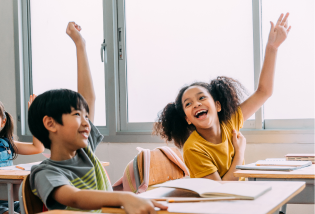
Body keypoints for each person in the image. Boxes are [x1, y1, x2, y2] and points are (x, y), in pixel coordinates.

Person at [28, 22, 167, 213]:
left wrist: (80, 45)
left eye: (87, 115)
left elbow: (88, 98)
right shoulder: (45, 173)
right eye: (77, 114)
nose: (87, 122)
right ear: (50, 124)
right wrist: (124, 197)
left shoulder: (85, 152)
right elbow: (74, 197)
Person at [153, 13, 291, 181]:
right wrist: (239, 153)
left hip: (243, 197)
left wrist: (272, 48)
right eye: (188, 104)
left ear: (217, 106)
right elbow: (218, 191)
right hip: (221, 204)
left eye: (202, 98)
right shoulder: (193, 148)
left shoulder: (230, 124)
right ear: (188, 119)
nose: (196, 104)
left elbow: (264, 92)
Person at [0, 97, 45, 214]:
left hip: (12, 198)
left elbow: (38, 147)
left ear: (3, 122)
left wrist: (34, 118)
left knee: (39, 207)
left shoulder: (7, 143)